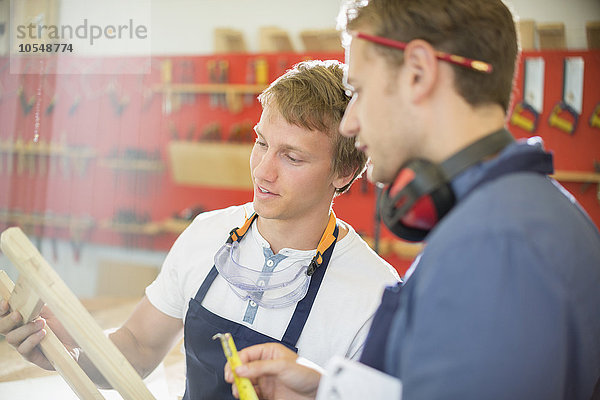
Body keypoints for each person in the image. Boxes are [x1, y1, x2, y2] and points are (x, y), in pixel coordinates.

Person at [224, 1, 600, 399]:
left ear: (419, 72)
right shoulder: (525, 215)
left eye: (359, 91)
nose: (350, 123)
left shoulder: (494, 246)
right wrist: (325, 391)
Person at [0, 60, 400, 399]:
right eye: (261, 143)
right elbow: (138, 347)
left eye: (292, 157)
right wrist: (63, 352)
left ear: (345, 171)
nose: (263, 171)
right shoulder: (207, 232)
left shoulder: (374, 293)